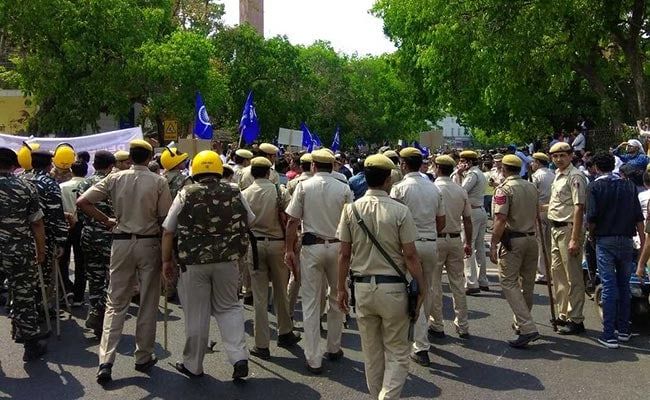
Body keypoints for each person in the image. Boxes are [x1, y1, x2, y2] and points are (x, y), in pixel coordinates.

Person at [77, 139, 172, 385]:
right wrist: (167, 258)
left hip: (120, 242)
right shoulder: (159, 181)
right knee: (148, 302)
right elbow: (166, 221)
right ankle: (143, 356)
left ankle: (106, 360)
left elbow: (83, 202)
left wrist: (106, 219)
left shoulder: (115, 178)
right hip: (148, 243)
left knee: (115, 303)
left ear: (130, 157)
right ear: (150, 158)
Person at [336, 154, 424, 400]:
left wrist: (340, 289)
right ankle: (387, 397)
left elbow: (343, 254)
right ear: (388, 180)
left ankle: (378, 395)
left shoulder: (351, 210)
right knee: (397, 351)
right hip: (393, 289)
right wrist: (422, 285)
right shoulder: (400, 211)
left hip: (362, 288)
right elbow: (411, 255)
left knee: (372, 354)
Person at [161, 150, 253, 380]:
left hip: (193, 263)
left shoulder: (185, 193)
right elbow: (251, 219)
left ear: (196, 170)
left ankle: (193, 365)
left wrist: (165, 261)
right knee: (229, 307)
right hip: (228, 261)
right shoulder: (234, 191)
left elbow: (168, 230)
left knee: (196, 313)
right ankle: (239, 357)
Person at [284, 148, 353, 374]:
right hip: (337, 246)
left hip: (311, 247)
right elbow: (350, 223)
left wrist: (289, 250)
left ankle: (313, 357)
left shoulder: (303, 186)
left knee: (311, 303)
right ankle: (334, 347)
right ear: (332, 165)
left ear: (313, 166)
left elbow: (292, 221)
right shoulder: (344, 188)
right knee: (337, 296)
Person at [390, 147, 445, 367]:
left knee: (408, 293)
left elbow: (392, 221)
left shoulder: (399, 189)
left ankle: (418, 343)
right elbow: (441, 222)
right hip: (430, 243)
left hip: (408, 246)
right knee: (426, 290)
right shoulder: (433, 188)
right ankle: (421, 339)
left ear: (403, 165)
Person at [242, 156, 301, 360]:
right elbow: (291, 217)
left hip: (255, 246)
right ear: (269, 172)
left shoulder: (244, 194)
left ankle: (261, 344)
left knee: (259, 297)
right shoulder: (279, 191)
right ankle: (285, 331)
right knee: (280, 291)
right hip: (278, 244)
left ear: (251, 173)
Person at [586, 152, 644, 348]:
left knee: (609, 286)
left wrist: (591, 237)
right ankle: (624, 330)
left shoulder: (595, 186)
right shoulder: (628, 186)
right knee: (624, 285)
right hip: (627, 240)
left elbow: (591, 217)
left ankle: (609, 333)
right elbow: (639, 217)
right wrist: (642, 241)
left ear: (595, 167)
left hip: (605, 239)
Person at [0, 147, 48, 361]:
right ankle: (30, 344)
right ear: (14, 165)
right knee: (23, 296)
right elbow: (37, 223)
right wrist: (41, 250)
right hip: (19, 251)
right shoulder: (25, 186)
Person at [489, 155, 541, 348]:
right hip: (531, 238)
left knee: (508, 281)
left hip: (514, 239)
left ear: (503, 169)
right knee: (527, 284)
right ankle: (523, 323)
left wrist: (493, 244)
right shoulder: (531, 187)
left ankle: (527, 326)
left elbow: (501, 219)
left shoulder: (504, 189)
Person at [546, 142, 588, 335]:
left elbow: (579, 207)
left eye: (562, 155)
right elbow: (558, 204)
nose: (558, 159)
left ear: (571, 156)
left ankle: (576, 318)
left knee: (573, 276)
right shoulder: (557, 175)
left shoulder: (575, 176)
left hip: (568, 229)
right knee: (558, 275)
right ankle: (564, 313)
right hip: (555, 228)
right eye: (555, 156)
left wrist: (574, 238)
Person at [430, 155, 472, 340]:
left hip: (436, 238)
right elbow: (468, 220)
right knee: (457, 283)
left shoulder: (432, 189)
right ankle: (463, 324)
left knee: (435, 284)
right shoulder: (460, 190)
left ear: (437, 168)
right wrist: (468, 242)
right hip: (455, 237)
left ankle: (437, 323)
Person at [75, 151, 115, 337]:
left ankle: (96, 316)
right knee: (114, 279)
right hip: (109, 236)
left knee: (94, 277)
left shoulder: (84, 182)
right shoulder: (111, 183)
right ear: (110, 166)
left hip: (88, 234)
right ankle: (99, 312)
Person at [454, 150, 489, 295]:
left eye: (462, 161)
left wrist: (457, 174)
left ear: (468, 162)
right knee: (479, 247)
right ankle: (482, 280)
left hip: (472, 212)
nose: (460, 164)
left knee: (467, 246)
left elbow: (461, 191)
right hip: (480, 211)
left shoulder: (472, 174)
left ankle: (471, 282)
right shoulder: (479, 173)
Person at [59, 160, 88, 306]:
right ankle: (79, 296)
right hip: (82, 225)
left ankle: (66, 290)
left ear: (71, 171)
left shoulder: (62, 187)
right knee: (80, 261)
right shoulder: (90, 185)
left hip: (65, 225)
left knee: (63, 260)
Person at [530, 152, 554, 284]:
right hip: (552, 210)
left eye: (533, 162)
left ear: (538, 162)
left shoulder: (536, 176)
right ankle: (549, 271)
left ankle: (543, 273)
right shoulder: (553, 175)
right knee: (549, 244)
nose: (532, 164)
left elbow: (532, 195)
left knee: (540, 244)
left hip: (539, 210)